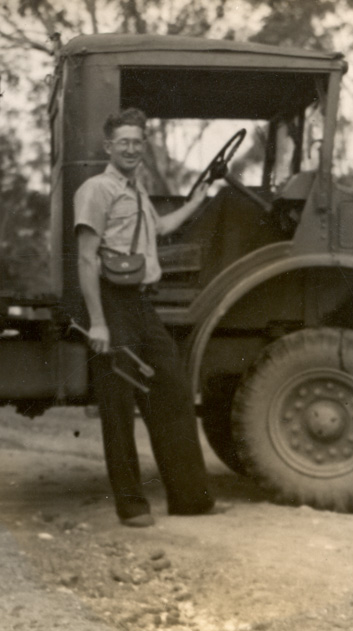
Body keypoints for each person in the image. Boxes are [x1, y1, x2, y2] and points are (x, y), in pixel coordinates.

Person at [74, 107, 216, 527]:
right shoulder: (96, 190)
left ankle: (191, 499)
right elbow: (85, 258)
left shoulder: (137, 190)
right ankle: (132, 506)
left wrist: (196, 202)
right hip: (110, 302)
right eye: (124, 142)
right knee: (118, 407)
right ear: (109, 146)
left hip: (140, 303)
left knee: (172, 388)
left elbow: (162, 228)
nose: (131, 148)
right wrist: (98, 322)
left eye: (137, 142)